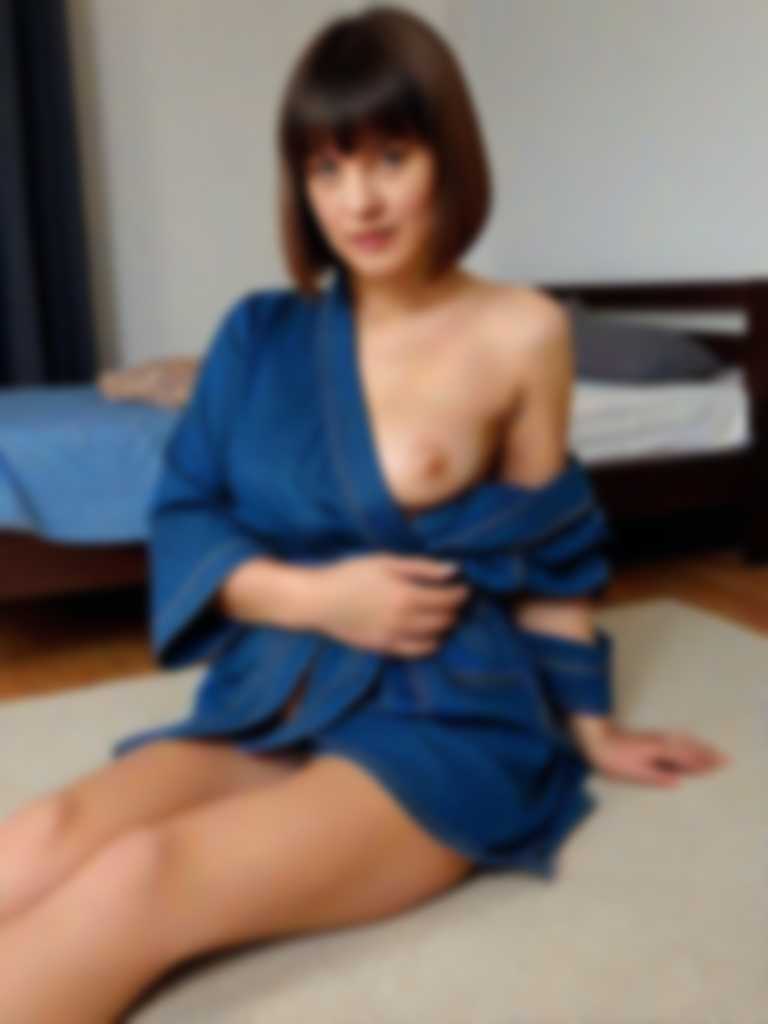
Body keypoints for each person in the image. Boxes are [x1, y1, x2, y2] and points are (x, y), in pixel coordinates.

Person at [0, 6, 729, 1020]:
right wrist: (315, 599)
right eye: (327, 167)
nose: (360, 199)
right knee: (46, 835)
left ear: (448, 157)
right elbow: (186, 511)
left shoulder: (523, 331)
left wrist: (595, 729)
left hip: (444, 709)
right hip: (283, 681)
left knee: (141, 878)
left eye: (391, 156)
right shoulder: (258, 334)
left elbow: (550, 555)